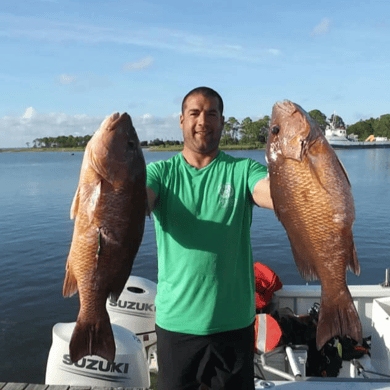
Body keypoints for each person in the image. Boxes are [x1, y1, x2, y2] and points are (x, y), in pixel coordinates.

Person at [146, 86, 274, 390]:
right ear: (181, 120)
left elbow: (275, 195)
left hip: (233, 326)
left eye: (211, 113)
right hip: (176, 325)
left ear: (222, 121)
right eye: (195, 113)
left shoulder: (243, 170)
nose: (203, 120)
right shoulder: (160, 173)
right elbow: (137, 202)